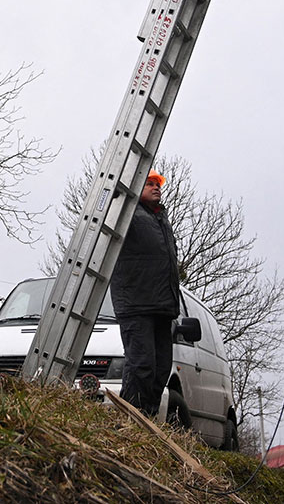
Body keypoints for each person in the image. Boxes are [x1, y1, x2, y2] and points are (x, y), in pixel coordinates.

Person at [110, 170, 182, 418]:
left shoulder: (161, 220)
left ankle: (148, 419)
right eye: (149, 184)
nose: (156, 187)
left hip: (162, 307)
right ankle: (131, 418)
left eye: (157, 184)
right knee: (141, 365)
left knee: (160, 369)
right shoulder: (130, 214)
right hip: (136, 304)